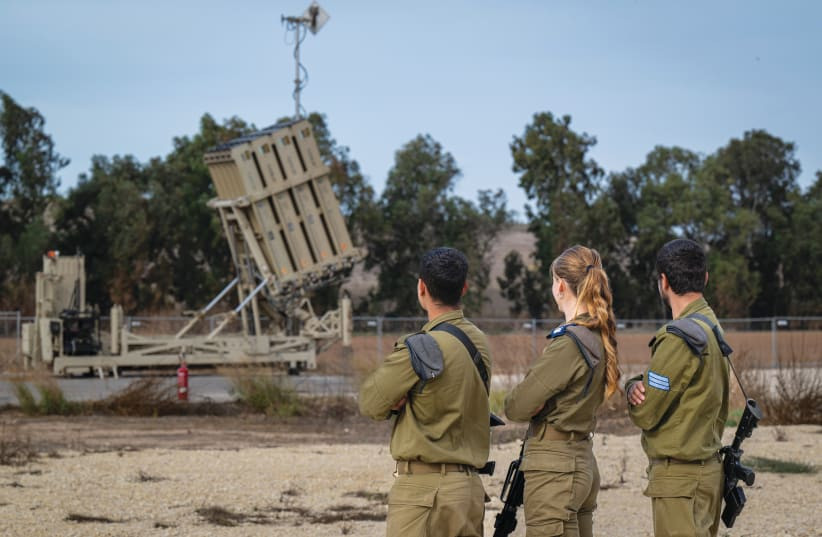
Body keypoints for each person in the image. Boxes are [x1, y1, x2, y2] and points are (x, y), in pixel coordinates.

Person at [358, 247, 492, 537]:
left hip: (422, 494)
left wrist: (398, 402)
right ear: (464, 288)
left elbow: (370, 403)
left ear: (421, 287)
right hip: (468, 491)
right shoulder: (480, 343)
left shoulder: (417, 347)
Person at [504, 245, 620, 537]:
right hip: (579, 459)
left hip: (556, 469)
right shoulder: (597, 334)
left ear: (560, 285)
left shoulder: (570, 342)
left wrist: (539, 405)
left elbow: (516, 406)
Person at [625, 238, 730, 537]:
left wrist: (631, 389)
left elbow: (646, 411)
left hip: (681, 479)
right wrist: (634, 384)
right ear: (705, 278)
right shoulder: (711, 326)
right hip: (707, 471)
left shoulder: (679, 337)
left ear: (664, 282)